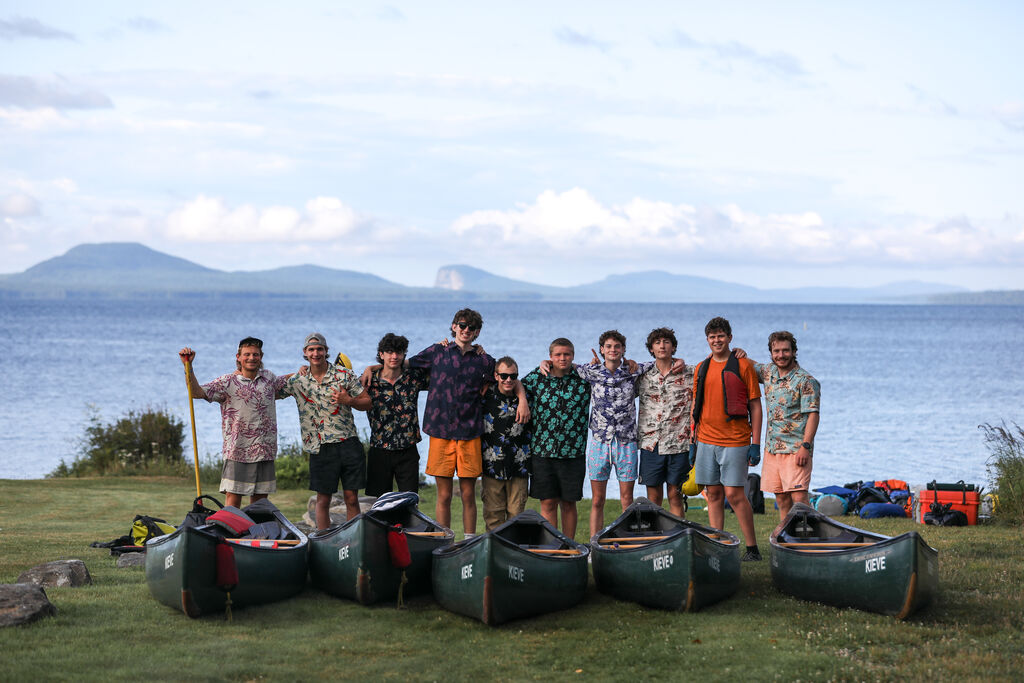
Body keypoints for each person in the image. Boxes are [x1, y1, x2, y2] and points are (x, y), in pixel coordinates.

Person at [407, 308, 527, 538]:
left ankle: (469, 541)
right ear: (454, 327)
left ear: (477, 332)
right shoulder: (437, 351)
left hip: (470, 432)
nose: (466, 330)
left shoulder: (484, 361)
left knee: (468, 494)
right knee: (443, 495)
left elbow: (509, 376)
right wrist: (373, 367)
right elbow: (403, 365)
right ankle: (444, 540)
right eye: (462, 325)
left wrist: (522, 399)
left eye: (471, 328)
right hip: (440, 431)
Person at [179, 337, 289, 509]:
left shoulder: (269, 379)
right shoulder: (227, 382)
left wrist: (304, 371)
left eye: (255, 354)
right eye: (247, 354)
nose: (251, 358)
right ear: (238, 357)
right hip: (238, 451)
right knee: (233, 502)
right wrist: (189, 367)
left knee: (260, 504)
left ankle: (255, 527)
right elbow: (196, 392)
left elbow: (287, 383)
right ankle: (230, 527)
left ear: (261, 356)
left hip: (265, 451)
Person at [690, 317, 764, 561]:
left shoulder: (742, 365)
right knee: (713, 494)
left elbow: (755, 406)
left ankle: (752, 548)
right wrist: (692, 441)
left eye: (721, 336)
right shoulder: (701, 367)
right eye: (712, 337)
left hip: (735, 440)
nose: (717, 340)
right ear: (707, 339)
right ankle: (718, 544)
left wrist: (755, 443)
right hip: (705, 440)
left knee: (734, 494)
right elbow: (695, 406)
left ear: (730, 338)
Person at [279, 333, 370, 530]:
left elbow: (367, 402)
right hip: (319, 446)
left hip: (348, 442)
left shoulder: (344, 375)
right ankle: (323, 539)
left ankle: (354, 539)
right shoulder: (298, 380)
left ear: (326, 351)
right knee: (323, 499)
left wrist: (349, 401)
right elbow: (270, 389)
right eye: (311, 350)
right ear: (305, 353)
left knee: (351, 498)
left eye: (319, 349)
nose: (316, 353)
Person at [576, 330, 650, 539]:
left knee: (627, 499)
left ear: (623, 349)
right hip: (600, 442)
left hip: (626, 442)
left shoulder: (633, 371)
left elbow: (659, 363)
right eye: (608, 346)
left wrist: (679, 361)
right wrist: (546, 362)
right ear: (602, 350)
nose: (613, 350)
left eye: (617, 346)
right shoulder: (592, 371)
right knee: (597, 500)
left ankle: (627, 543)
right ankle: (595, 543)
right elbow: (565, 365)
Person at [522, 338, 591, 540]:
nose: (562, 358)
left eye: (567, 354)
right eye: (558, 354)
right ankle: (552, 546)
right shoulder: (538, 377)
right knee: (548, 503)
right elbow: (516, 385)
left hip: (573, 452)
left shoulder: (583, 379)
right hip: (543, 451)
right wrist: (523, 400)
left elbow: (608, 376)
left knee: (569, 504)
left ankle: (568, 546)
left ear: (573, 356)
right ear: (550, 356)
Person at [752, 331, 821, 520]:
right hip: (772, 448)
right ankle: (786, 535)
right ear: (771, 353)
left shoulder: (806, 381)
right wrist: (737, 352)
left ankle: (808, 535)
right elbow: (746, 364)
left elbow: (813, 415)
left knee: (799, 499)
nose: (781, 355)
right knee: (781, 499)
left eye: (785, 350)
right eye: (776, 351)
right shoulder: (768, 372)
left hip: (796, 449)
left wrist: (805, 446)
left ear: (794, 351)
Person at [363, 333, 430, 499]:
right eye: (389, 352)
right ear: (381, 354)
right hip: (380, 449)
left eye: (399, 352)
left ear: (404, 354)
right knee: (379, 504)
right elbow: (342, 388)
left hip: (408, 449)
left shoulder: (413, 378)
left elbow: (442, 370)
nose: (394, 356)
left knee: (409, 502)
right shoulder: (368, 381)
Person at [636, 327, 693, 518]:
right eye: (657, 342)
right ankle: (655, 533)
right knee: (653, 498)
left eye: (666, 342)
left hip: (679, 444)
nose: (662, 346)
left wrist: (738, 353)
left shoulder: (689, 373)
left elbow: (713, 367)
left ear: (673, 347)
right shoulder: (642, 374)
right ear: (651, 348)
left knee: (675, 496)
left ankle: (678, 533)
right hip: (651, 444)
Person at [480, 356, 531, 530]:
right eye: (503, 376)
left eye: (513, 376)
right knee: (493, 517)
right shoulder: (485, 394)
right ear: (496, 376)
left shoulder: (527, 397)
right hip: (491, 466)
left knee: (516, 516)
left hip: (519, 466)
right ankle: (494, 547)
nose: (508, 380)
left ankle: (513, 548)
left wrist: (522, 399)